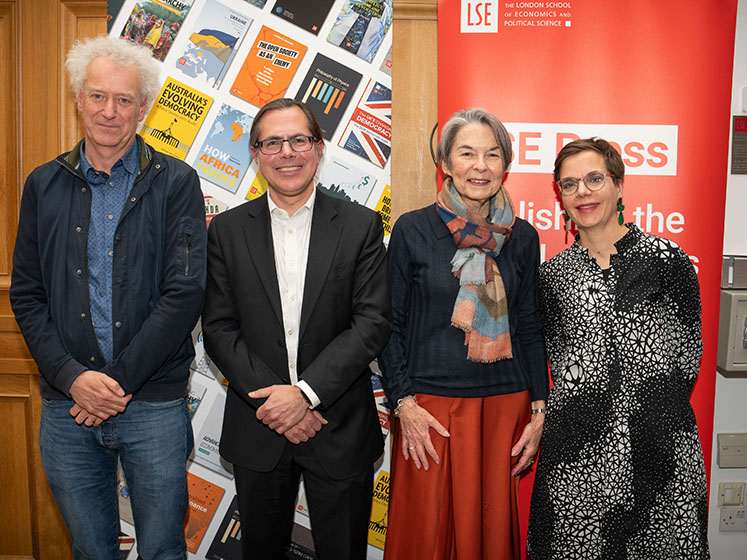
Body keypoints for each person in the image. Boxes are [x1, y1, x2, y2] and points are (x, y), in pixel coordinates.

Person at [9, 36, 206, 559]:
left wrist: (114, 384)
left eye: (124, 100)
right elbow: (26, 294)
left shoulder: (177, 182)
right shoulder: (43, 184)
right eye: (98, 96)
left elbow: (184, 292)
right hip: (66, 405)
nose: (110, 112)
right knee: (90, 551)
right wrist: (74, 379)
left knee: (163, 549)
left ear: (144, 108)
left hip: (152, 405)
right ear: (79, 99)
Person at [201, 98, 392, 560]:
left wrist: (305, 394)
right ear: (255, 153)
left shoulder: (360, 225)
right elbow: (220, 328)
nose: (287, 153)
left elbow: (372, 322)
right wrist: (278, 401)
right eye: (272, 142)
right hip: (259, 425)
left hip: (339, 426)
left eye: (299, 140)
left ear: (319, 148)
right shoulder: (226, 230)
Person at [378, 108, 549, 560]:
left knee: (489, 535)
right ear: (446, 164)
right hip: (429, 409)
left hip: (504, 408)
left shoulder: (523, 237)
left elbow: (529, 324)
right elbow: (388, 326)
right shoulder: (413, 229)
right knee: (425, 534)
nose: (481, 165)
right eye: (467, 153)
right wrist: (403, 404)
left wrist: (540, 408)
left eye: (493, 154)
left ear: (505, 166)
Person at [527, 138, 709, 558]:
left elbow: (688, 352)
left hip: (660, 447)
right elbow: (556, 356)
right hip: (577, 457)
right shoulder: (552, 278)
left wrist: (647, 408)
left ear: (619, 186)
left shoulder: (666, 260)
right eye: (569, 184)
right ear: (560, 195)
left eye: (594, 179)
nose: (582, 192)